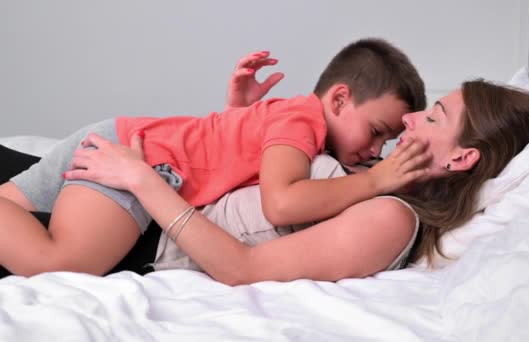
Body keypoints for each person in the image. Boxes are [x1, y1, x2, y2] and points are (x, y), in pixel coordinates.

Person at [0, 38, 429, 278]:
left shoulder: (290, 115)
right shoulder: (302, 122)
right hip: (142, 160)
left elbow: (224, 159)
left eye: (385, 144)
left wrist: (236, 114)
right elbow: (280, 202)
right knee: (60, 264)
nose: (376, 152)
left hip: (123, 135)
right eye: (377, 132)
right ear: (338, 99)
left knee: (13, 210)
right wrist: (376, 181)